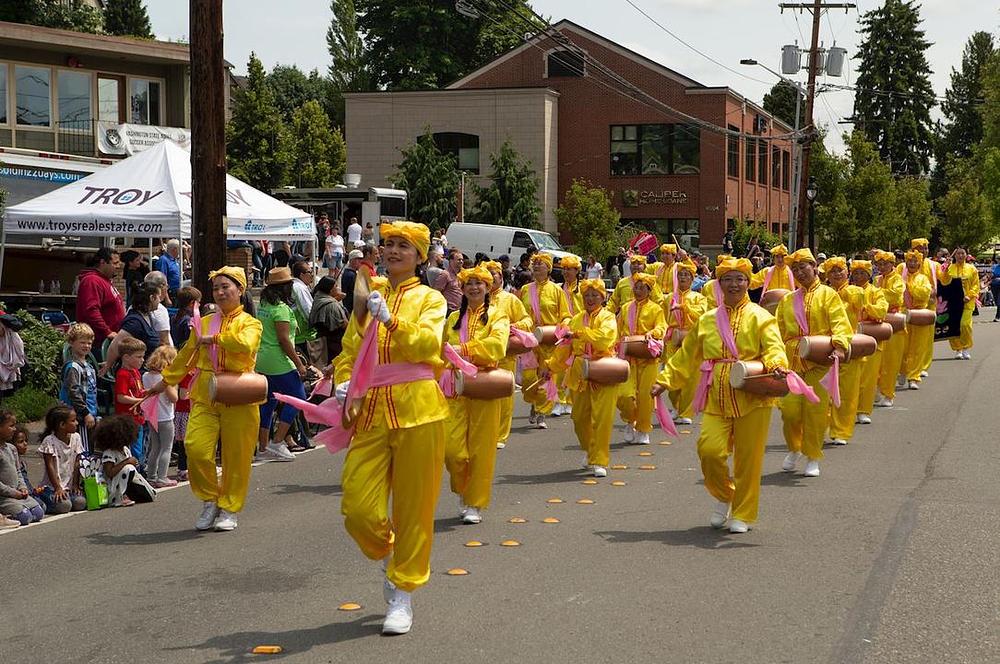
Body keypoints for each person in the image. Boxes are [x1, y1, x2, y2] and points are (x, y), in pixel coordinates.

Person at [332, 220, 447, 635]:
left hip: (420, 410)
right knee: (357, 507)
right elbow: (348, 350)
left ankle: (402, 594)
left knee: (415, 510)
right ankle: (390, 552)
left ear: (419, 256)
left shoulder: (431, 300)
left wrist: (393, 321)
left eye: (404, 246)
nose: (394, 251)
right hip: (371, 412)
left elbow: (428, 346)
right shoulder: (368, 297)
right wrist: (343, 380)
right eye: (389, 245)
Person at [654, 258, 789, 533]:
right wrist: (664, 381)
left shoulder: (761, 317)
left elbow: (774, 347)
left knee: (748, 460)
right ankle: (725, 495)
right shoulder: (706, 320)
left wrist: (777, 364)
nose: (734, 284)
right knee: (709, 450)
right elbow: (686, 355)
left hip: (753, 394)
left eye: (739, 279)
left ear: (748, 283)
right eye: (727, 279)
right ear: (719, 284)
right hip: (717, 396)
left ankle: (743, 513)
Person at [146, 266, 263, 532]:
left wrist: (211, 339)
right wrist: (164, 382)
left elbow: (245, 344)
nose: (220, 292)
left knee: (237, 455)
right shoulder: (205, 321)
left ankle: (230, 507)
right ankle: (210, 499)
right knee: (195, 446)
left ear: (240, 291)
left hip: (239, 391)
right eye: (217, 288)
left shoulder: (251, 323)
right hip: (206, 392)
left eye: (226, 287)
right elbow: (187, 354)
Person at [775, 249, 852, 478]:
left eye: (804, 267)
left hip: (820, 361)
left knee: (815, 413)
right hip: (793, 363)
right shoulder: (787, 300)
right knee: (789, 412)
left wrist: (839, 345)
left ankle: (812, 455)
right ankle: (794, 448)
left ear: (814, 267)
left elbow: (840, 322)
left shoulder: (828, 294)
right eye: (795, 269)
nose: (800, 272)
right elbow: (777, 332)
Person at [443, 265, 510, 525]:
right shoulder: (452, 319)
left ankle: (474, 502)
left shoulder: (497, 315)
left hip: (485, 385)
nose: (473, 287)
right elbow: (441, 349)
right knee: (452, 450)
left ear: (487, 287)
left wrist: (465, 350)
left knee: (481, 449)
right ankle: (463, 488)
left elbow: (497, 347)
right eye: (468, 283)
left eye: (478, 283)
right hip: (456, 388)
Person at [542, 279, 618, 477]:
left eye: (595, 295)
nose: (590, 299)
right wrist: (550, 367)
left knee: (602, 419)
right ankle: (590, 450)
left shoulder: (608, 317)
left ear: (603, 297)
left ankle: (599, 459)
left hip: (603, 370)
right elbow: (564, 349)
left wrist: (579, 334)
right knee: (579, 418)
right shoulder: (576, 319)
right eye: (587, 295)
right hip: (579, 372)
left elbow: (604, 339)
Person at [824, 257, 885, 445]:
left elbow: (860, 303)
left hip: (848, 345)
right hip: (825, 346)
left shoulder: (855, 291)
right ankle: (823, 425)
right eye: (832, 271)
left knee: (848, 390)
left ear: (846, 273)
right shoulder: (823, 293)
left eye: (840, 270)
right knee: (824, 390)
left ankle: (841, 430)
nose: (836, 274)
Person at [255, 266, 309, 463]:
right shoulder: (281, 309)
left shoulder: (263, 305)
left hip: (263, 359)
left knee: (268, 402)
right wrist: (299, 364)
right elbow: (284, 340)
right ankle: (277, 441)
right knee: (298, 399)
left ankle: (262, 447)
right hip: (279, 361)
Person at [483, 261, 533, 449]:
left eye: (494, 273)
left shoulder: (510, 299)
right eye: (487, 274)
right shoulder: (478, 298)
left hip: (505, 355)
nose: (491, 276)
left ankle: (501, 435)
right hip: (483, 356)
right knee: (485, 396)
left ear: (501, 277)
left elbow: (526, 320)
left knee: (504, 396)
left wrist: (514, 327)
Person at [520, 253, 570, 429]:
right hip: (530, 339)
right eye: (535, 264)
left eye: (540, 264)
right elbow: (520, 314)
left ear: (548, 268)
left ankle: (541, 412)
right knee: (527, 378)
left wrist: (563, 329)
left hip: (548, 340)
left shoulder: (557, 290)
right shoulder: (525, 290)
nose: (536, 266)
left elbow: (565, 315)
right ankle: (534, 403)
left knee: (545, 377)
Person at [615, 272, 665, 446]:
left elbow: (661, 326)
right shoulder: (626, 307)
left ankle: (643, 429)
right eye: (636, 287)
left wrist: (653, 333)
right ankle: (630, 420)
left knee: (645, 397)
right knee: (623, 396)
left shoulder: (655, 309)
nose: (638, 290)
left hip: (647, 358)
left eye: (642, 287)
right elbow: (617, 329)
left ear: (649, 290)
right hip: (627, 357)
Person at [661, 259, 706, 425]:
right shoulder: (668, 299)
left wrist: (684, 307)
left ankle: (686, 411)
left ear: (692, 278)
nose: (683, 277)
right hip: (673, 339)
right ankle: (676, 405)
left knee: (690, 377)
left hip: (692, 339)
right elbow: (663, 319)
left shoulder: (699, 298)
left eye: (686, 275)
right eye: (680, 275)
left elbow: (702, 314)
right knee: (672, 373)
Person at [850, 260, 889, 424]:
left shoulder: (876, 291)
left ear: (868, 275)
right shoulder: (847, 290)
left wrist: (865, 306)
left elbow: (881, 310)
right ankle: (848, 411)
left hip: (871, 338)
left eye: (862, 273)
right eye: (856, 273)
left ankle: (863, 410)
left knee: (868, 377)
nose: (859, 276)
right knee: (851, 378)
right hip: (851, 339)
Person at [94, 416, 156, 507]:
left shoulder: (125, 449)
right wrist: (126, 462)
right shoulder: (109, 453)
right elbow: (109, 473)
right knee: (128, 468)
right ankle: (119, 498)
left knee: (151, 494)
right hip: (113, 486)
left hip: (128, 483)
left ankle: (132, 494)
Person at [36, 405, 87, 514]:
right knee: (64, 505)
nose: (77, 423)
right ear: (62, 425)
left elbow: (77, 462)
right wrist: (58, 488)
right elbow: (50, 466)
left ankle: (66, 497)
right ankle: (44, 501)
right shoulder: (49, 441)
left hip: (69, 485)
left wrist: (75, 484)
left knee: (80, 503)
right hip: (52, 486)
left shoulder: (76, 437)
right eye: (73, 421)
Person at [141, 346, 179, 488]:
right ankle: (162, 476)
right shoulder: (165, 378)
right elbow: (174, 398)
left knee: (155, 447)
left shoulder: (146, 376)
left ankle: (152, 475)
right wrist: (172, 385)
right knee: (166, 447)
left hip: (152, 416)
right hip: (165, 416)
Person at [874, 251, 907, 408]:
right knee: (877, 359)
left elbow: (895, 296)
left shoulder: (898, 279)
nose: (882, 267)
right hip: (877, 321)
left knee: (891, 361)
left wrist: (877, 294)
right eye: (879, 264)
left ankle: (888, 393)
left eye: (885, 264)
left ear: (892, 264)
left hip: (894, 322)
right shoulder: (877, 279)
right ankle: (877, 389)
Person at [0, 410, 45, 526]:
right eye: (11, 426)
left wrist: (22, 487)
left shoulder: (11, 449)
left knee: (38, 512)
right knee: (25, 517)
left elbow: (18, 471)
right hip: (4, 497)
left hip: (18, 494)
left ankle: (19, 507)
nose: (14, 429)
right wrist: (13, 493)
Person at [59, 323, 99, 452]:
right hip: (79, 416)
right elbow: (74, 392)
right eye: (82, 342)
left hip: (91, 412)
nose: (86, 346)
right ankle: (84, 473)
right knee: (83, 450)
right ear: (72, 342)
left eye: (89, 343)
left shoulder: (89, 366)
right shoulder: (73, 367)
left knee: (90, 446)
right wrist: (85, 413)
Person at [75, 247, 125, 349]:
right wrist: (107, 332)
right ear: (103, 262)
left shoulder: (105, 281)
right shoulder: (92, 281)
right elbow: (91, 310)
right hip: (99, 342)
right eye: (115, 263)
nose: (118, 266)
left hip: (110, 340)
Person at [555, 256, 584, 417]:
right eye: (564, 269)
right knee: (560, 367)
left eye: (569, 269)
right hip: (564, 331)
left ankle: (571, 401)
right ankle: (559, 400)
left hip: (580, 332)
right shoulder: (558, 289)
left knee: (576, 368)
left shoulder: (584, 287)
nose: (566, 272)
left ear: (577, 271)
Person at [901, 250, 934, 389]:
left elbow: (924, 294)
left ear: (919, 263)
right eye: (910, 261)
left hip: (920, 314)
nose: (912, 264)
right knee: (903, 347)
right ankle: (903, 370)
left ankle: (914, 377)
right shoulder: (900, 277)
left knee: (918, 347)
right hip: (903, 315)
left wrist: (910, 287)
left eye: (915, 261)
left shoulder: (923, 279)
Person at [938, 247, 979, 360]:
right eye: (958, 254)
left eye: (962, 253)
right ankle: (958, 349)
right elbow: (943, 281)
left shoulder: (972, 269)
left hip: (967, 302)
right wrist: (945, 269)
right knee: (954, 326)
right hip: (952, 302)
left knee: (965, 325)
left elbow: (976, 286)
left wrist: (969, 296)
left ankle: (966, 347)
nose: (960, 256)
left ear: (966, 255)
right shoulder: (950, 268)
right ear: (955, 256)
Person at [114, 337, 148, 465]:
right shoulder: (123, 374)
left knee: (139, 447)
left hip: (138, 417)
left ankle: (139, 470)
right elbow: (121, 397)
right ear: (126, 357)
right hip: (127, 418)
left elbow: (139, 390)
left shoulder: (136, 372)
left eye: (142, 356)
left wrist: (149, 393)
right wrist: (140, 400)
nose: (142, 360)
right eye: (138, 357)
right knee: (133, 449)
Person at [310, 275, 348, 364]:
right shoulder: (332, 305)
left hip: (325, 341)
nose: (338, 288)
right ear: (330, 290)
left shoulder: (318, 298)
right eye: (336, 286)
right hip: (334, 344)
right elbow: (345, 324)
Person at [290, 260, 321, 367]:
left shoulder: (296, 285)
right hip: (303, 334)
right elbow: (307, 310)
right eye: (309, 272)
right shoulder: (299, 287)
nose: (312, 275)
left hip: (297, 334)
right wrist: (316, 325)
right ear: (302, 275)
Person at [144, 271, 174, 347]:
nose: (167, 289)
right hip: (158, 354)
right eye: (167, 286)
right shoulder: (159, 310)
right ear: (162, 286)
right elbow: (164, 340)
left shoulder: (134, 306)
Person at [434, 248, 464, 313]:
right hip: (449, 311)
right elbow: (436, 292)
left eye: (462, 260)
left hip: (459, 311)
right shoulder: (445, 274)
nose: (461, 261)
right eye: (459, 260)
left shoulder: (462, 275)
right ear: (451, 261)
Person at [341, 250, 363, 318]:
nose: (360, 262)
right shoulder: (350, 275)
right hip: (351, 308)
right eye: (358, 259)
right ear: (352, 260)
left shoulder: (351, 273)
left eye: (361, 260)